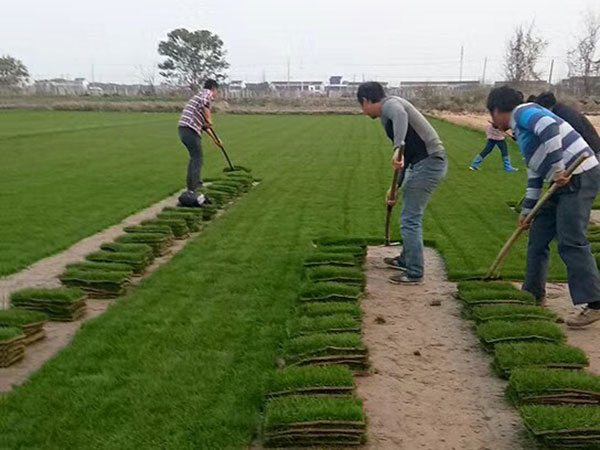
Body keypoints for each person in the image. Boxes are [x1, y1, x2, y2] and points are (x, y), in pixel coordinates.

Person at [487, 85, 600, 328]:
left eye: (491, 115)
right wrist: (527, 212)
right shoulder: (521, 133)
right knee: (538, 236)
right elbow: (535, 174)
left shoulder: (525, 112)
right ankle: (533, 293)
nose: (492, 122)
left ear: (497, 110)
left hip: (578, 175)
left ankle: (594, 302)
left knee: (571, 239)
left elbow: (550, 127)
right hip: (558, 183)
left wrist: (559, 167)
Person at [357, 81, 447, 285]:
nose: (363, 111)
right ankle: (406, 259)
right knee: (409, 216)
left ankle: (414, 272)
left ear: (365, 101)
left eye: (361, 106)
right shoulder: (385, 116)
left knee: (410, 219)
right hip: (419, 163)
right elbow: (404, 161)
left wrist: (398, 147)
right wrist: (394, 188)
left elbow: (401, 116)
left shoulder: (391, 104)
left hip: (430, 162)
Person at [178, 79, 219, 198]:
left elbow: (205, 127)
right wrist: (209, 118)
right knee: (197, 158)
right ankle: (194, 188)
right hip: (189, 129)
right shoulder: (205, 93)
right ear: (214, 89)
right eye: (217, 91)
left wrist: (216, 140)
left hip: (184, 130)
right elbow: (205, 103)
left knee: (194, 157)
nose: (216, 94)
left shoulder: (198, 102)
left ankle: (194, 185)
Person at [535, 91, 600, 156]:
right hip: (589, 147)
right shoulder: (560, 110)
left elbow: (574, 134)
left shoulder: (563, 115)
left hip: (591, 149)